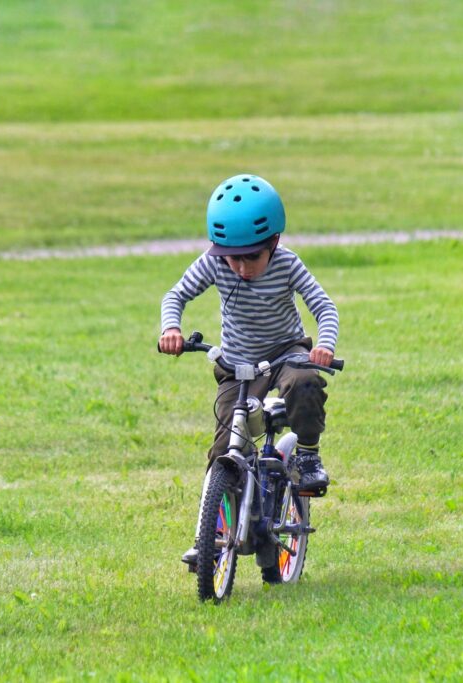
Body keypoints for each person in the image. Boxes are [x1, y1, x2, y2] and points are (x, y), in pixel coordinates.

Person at [157, 174, 340, 566]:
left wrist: (323, 345)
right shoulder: (215, 264)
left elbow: (324, 307)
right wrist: (171, 328)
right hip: (238, 364)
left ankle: (307, 454)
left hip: (284, 353)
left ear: (273, 242)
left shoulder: (288, 264)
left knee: (305, 382)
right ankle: (214, 533)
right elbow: (176, 294)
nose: (240, 267)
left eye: (251, 257)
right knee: (226, 443)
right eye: (232, 257)